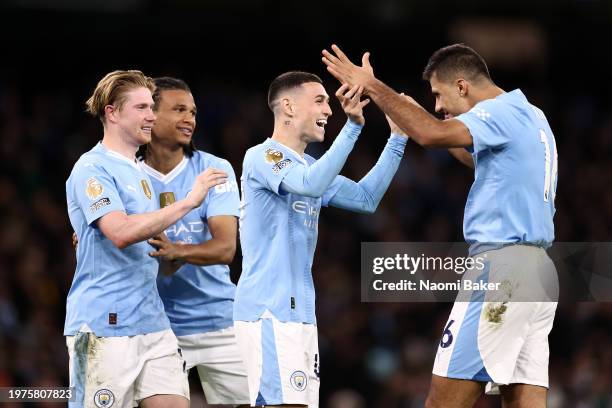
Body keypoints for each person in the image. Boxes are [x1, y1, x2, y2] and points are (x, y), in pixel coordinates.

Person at [322, 44, 559, 407]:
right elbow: (471, 154)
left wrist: (371, 86)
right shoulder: (530, 115)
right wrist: (420, 117)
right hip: (538, 273)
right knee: (522, 398)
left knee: (442, 402)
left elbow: (430, 134)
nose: (436, 106)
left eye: (437, 94)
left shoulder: (499, 111)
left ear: (462, 86)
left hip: (502, 271)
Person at [233, 71, 409, 407]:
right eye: (320, 100)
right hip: (267, 311)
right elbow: (309, 184)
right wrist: (353, 126)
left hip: (300, 315)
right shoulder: (262, 156)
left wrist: (397, 138)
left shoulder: (310, 166)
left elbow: (365, 199)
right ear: (287, 106)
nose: (329, 110)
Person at [65, 70, 227, 408]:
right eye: (141, 108)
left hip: (153, 323)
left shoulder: (140, 173)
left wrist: (176, 252)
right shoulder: (91, 168)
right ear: (112, 112)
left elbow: (157, 255)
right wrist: (187, 202)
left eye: (151, 107)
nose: (151, 115)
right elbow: (120, 233)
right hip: (104, 325)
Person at [139, 76, 250, 406]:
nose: (190, 119)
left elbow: (226, 248)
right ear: (150, 115)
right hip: (156, 326)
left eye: (193, 111)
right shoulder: (125, 173)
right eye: (179, 110)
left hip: (219, 319)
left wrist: (177, 251)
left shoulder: (214, 169)